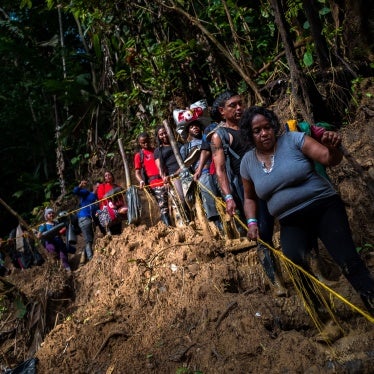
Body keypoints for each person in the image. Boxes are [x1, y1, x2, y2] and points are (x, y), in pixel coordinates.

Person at [239, 106, 374, 322]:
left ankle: (371, 302)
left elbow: (329, 158)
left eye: (267, 127)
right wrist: (252, 221)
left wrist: (333, 148)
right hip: (290, 221)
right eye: (257, 131)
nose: (264, 133)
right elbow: (248, 197)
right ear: (249, 134)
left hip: (323, 207)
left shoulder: (293, 140)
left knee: (347, 259)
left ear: (274, 127)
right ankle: (325, 319)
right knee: (295, 264)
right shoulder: (247, 162)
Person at [209, 91, 286, 296]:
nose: (239, 108)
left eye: (240, 104)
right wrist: (228, 197)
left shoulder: (251, 126)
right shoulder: (220, 136)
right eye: (232, 105)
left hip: (270, 178)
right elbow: (220, 170)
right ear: (221, 111)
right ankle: (274, 279)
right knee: (261, 232)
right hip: (247, 189)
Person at [180, 120, 222, 230]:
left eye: (197, 126)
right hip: (202, 173)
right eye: (192, 127)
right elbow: (185, 166)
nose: (195, 128)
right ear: (188, 131)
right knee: (209, 196)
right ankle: (217, 223)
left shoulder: (209, 138)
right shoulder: (185, 148)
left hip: (218, 169)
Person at [154, 125, 190, 224]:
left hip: (184, 172)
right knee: (180, 199)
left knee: (189, 199)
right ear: (158, 136)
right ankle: (183, 223)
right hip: (173, 176)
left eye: (165, 132)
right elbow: (160, 168)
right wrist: (164, 178)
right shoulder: (158, 150)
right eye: (161, 134)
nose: (164, 135)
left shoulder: (178, 144)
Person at [134, 132, 171, 226]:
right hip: (154, 183)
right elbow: (137, 172)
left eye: (147, 141)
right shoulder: (139, 155)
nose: (146, 144)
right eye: (143, 142)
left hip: (165, 179)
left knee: (171, 203)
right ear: (139, 143)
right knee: (163, 205)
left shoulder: (156, 151)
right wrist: (141, 181)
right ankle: (169, 227)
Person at [37, 208, 71, 272]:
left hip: (59, 242)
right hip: (50, 244)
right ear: (46, 216)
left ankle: (69, 271)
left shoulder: (57, 223)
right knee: (55, 258)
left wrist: (65, 228)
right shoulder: (44, 225)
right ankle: (59, 272)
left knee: (63, 257)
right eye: (49, 213)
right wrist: (42, 234)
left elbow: (60, 232)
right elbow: (38, 236)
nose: (51, 214)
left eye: (52, 213)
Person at [73, 180, 99, 264]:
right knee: (88, 240)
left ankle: (83, 258)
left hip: (89, 220)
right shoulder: (87, 193)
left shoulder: (97, 198)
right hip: (84, 218)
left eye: (101, 187)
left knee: (90, 239)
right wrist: (80, 185)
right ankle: (91, 259)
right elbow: (75, 191)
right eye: (98, 186)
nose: (99, 188)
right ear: (94, 187)